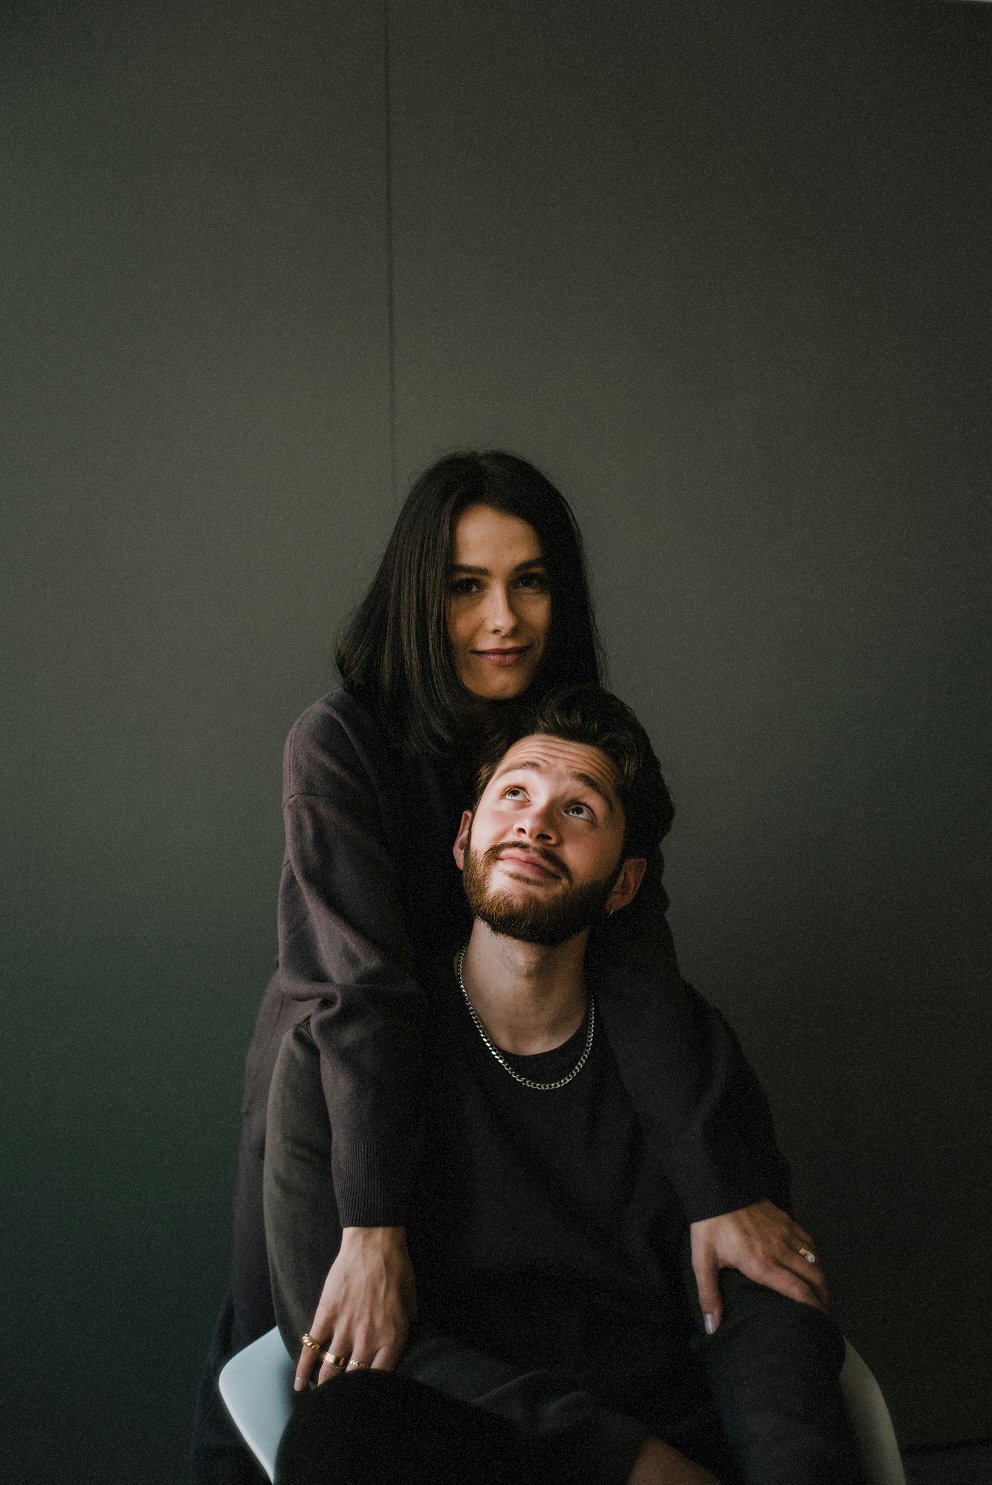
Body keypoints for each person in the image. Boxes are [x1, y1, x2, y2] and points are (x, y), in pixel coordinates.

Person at [192, 452, 826, 1482]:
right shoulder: (341, 742)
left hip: (528, 1043)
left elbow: (635, 969)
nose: (503, 620)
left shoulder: (580, 742)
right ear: (461, 833)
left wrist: (717, 1189)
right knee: (328, 1373)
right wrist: (373, 1219)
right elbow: (361, 992)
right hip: (356, 1068)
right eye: (464, 586)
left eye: (528, 581)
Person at [264, 686, 861, 1485]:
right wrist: (629, 1465)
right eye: (514, 792)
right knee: (341, 1434)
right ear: (463, 837)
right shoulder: (334, 1064)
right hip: (488, 1447)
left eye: (579, 810)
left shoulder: (686, 1053)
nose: (536, 824)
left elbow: (761, 1310)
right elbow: (339, 1335)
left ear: (622, 883)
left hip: (681, 1439)